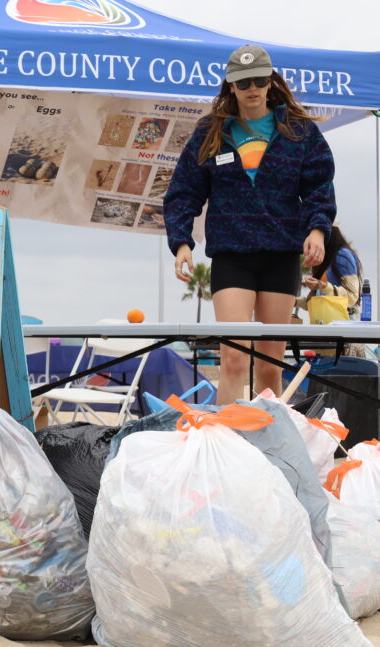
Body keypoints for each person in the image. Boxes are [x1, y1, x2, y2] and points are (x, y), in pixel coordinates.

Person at [166, 44, 335, 405]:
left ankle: (267, 447)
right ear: (230, 86)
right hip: (232, 256)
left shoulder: (299, 131)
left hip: (282, 255)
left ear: (271, 81)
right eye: (243, 83)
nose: (252, 88)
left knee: (271, 365)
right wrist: (181, 242)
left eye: (259, 80)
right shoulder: (209, 133)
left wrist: (318, 229)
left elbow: (319, 185)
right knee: (233, 358)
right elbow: (183, 192)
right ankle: (229, 448)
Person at [299, 223, 362, 318]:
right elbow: (316, 302)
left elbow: (352, 296)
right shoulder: (324, 259)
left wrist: (323, 286)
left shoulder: (342, 255)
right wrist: (292, 301)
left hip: (340, 326)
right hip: (325, 324)